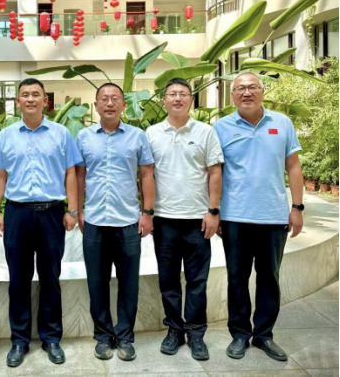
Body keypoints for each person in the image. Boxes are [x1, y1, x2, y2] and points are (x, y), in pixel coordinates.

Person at [213, 72, 304, 362]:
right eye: (240, 88)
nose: (247, 93)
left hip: (273, 216)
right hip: (235, 217)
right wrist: (214, 210)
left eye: (252, 87)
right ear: (232, 96)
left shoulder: (282, 123)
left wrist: (297, 207)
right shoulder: (220, 127)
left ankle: (264, 335)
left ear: (262, 91)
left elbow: (293, 166)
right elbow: (214, 172)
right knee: (237, 278)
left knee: (269, 278)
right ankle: (240, 334)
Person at [0, 79, 82, 368]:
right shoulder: (5, 136)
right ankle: (19, 340)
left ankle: (51, 338)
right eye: (25, 95)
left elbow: (70, 173)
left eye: (36, 95)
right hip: (17, 213)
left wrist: (72, 210)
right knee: (18, 279)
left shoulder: (61, 134)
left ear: (46, 101)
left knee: (50, 277)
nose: (30, 99)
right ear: (17, 101)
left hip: (52, 214)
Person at [76, 83, 155, 362]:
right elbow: (79, 176)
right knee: (96, 283)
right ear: (96, 104)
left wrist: (147, 212)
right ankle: (102, 336)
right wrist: (77, 210)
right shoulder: (83, 137)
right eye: (104, 99)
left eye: (115, 99)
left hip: (128, 222)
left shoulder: (137, 136)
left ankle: (124, 336)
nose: (109, 103)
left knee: (128, 284)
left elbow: (147, 174)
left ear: (123, 104)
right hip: (95, 221)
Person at [146, 79, 224, 362]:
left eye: (183, 94)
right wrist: (148, 212)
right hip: (165, 220)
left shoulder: (206, 132)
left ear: (191, 99)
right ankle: (174, 330)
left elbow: (215, 172)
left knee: (197, 281)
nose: (178, 98)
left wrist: (213, 211)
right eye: (172, 94)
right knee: (168, 281)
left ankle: (196, 333)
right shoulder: (152, 133)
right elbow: (146, 175)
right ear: (164, 100)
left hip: (197, 220)